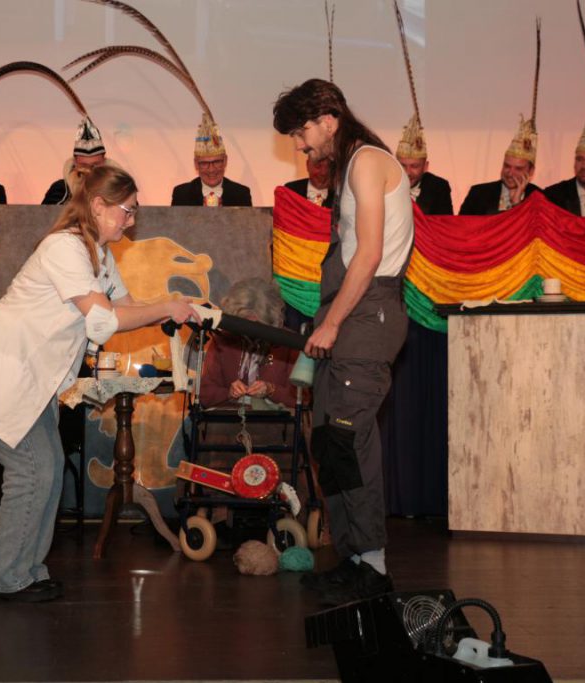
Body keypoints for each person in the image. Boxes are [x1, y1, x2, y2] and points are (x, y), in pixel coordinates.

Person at [0, 164, 196, 603]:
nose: (131, 220)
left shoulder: (101, 255)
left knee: (49, 469)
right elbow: (104, 320)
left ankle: (27, 571)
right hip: (2, 373)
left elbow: (129, 308)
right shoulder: (65, 247)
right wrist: (166, 308)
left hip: (32, 382)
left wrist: (175, 305)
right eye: (127, 210)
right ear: (98, 205)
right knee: (31, 471)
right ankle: (6, 578)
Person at [273, 78, 413, 605]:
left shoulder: (369, 161)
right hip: (347, 311)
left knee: (351, 440)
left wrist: (332, 323)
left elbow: (370, 253)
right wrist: (327, 317)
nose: (300, 146)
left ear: (327, 120)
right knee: (329, 441)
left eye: (301, 132)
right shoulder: (349, 166)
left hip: (368, 313)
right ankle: (353, 558)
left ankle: (373, 566)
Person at [199, 278, 299, 410]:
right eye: (244, 324)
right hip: (229, 419)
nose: (251, 331)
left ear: (271, 320)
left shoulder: (289, 342)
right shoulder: (223, 339)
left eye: (258, 325)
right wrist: (228, 393)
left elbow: (302, 399)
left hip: (275, 420)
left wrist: (271, 390)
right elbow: (205, 394)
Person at [459, 116, 541, 215]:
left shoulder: (540, 197)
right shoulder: (478, 193)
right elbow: (461, 223)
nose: (510, 173)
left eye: (518, 169)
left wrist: (516, 203)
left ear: (531, 171)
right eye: (507, 166)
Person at [171, 114, 252, 207]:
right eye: (204, 163)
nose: (211, 169)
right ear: (196, 164)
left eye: (217, 162)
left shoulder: (241, 194)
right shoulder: (181, 194)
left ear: (225, 161)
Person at [41, 117, 110, 206]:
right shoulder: (61, 190)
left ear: (104, 162)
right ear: (75, 163)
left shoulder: (118, 189)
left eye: (95, 165)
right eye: (83, 165)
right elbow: (46, 213)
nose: (89, 171)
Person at [395, 114, 453, 216]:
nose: (407, 172)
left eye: (414, 166)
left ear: (425, 167)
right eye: (403, 166)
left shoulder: (439, 187)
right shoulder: (383, 184)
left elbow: (444, 223)